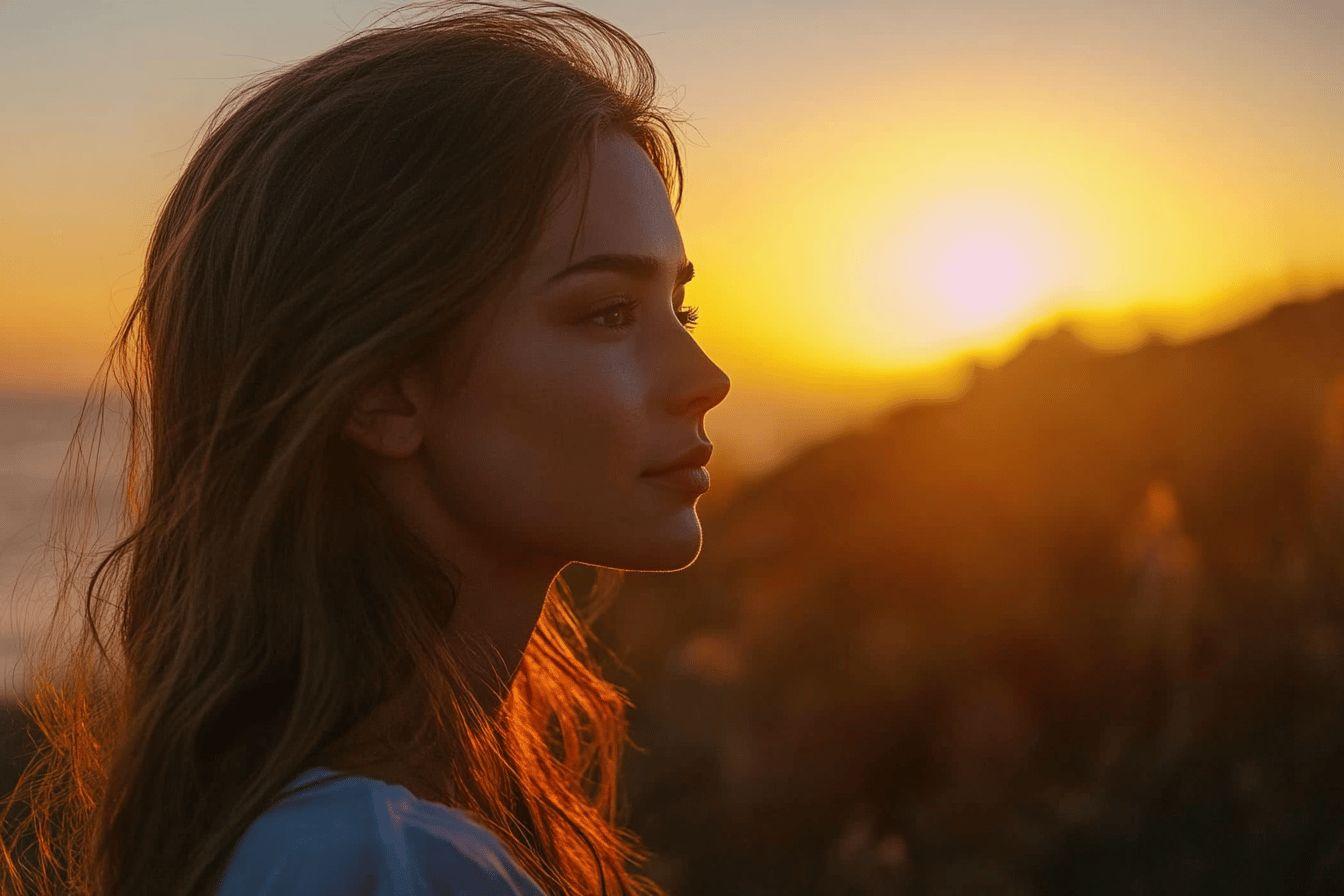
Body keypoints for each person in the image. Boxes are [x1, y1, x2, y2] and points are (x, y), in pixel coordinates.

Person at [0, 2, 731, 893]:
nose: (704, 377)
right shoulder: (372, 862)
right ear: (380, 391)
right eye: (608, 313)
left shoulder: (350, 831)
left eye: (678, 308)